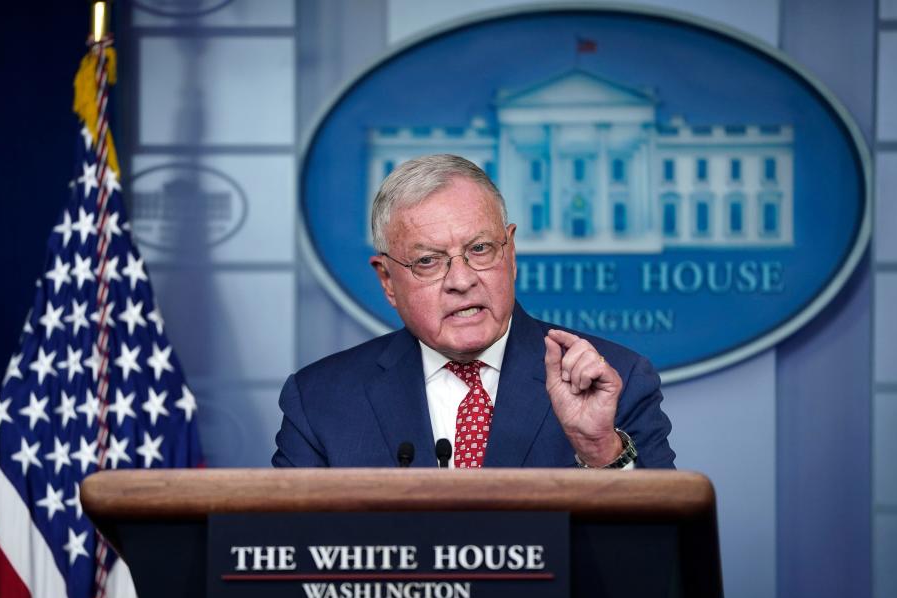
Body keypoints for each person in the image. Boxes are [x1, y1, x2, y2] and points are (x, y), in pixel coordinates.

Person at [272, 154, 675, 469]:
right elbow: (288, 558)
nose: (461, 280)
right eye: (428, 260)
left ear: (510, 252)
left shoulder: (616, 381)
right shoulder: (321, 401)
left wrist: (599, 448)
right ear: (388, 282)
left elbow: (662, 555)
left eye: (479, 249)